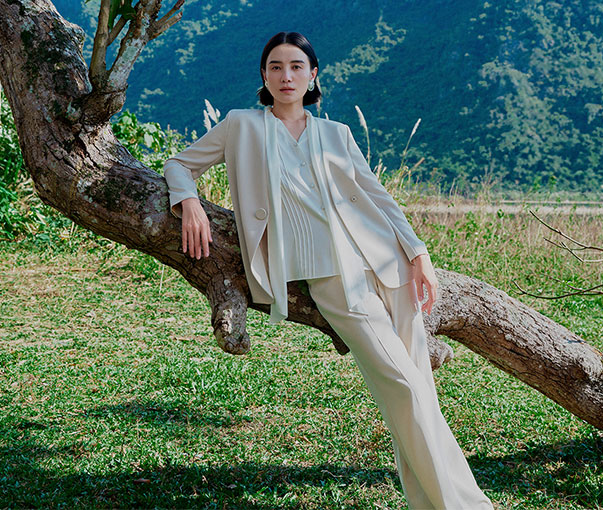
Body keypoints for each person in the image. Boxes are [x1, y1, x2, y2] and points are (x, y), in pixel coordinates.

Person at [163, 31, 493, 510]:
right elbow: (179, 164)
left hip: (388, 264)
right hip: (332, 277)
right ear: (264, 76)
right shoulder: (241, 125)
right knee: (404, 387)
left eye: (297, 66)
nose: (286, 76)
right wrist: (189, 202)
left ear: (313, 75)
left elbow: (377, 195)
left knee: (417, 391)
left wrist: (418, 253)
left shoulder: (335, 133)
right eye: (276, 67)